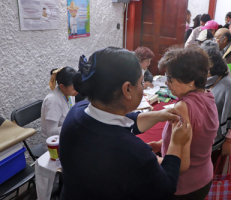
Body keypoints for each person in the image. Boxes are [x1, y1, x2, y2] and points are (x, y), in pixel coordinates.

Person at [59, 47, 192, 200]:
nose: (142, 87)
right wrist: (176, 144)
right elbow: (166, 188)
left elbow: (127, 120)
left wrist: (159, 115)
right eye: (141, 83)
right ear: (127, 89)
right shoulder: (133, 151)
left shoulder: (77, 111)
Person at [149, 46, 219, 200]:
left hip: (185, 187)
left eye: (170, 78)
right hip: (203, 177)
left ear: (190, 81)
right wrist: (161, 143)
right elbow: (195, 135)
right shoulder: (208, 95)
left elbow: (181, 165)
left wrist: (152, 159)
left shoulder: (183, 107)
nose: (167, 83)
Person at [201, 40, 231, 174]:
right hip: (206, 137)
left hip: (218, 141)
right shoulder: (208, 80)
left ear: (211, 66)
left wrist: (229, 142)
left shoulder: (228, 87)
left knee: (212, 172)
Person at [41, 67, 77, 149]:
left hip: (68, 136)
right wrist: (73, 126)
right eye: (74, 88)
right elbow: (50, 132)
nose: (77, 90)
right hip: (54, 145)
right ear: (62, 86)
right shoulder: (53, 100)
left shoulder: (70, 94)